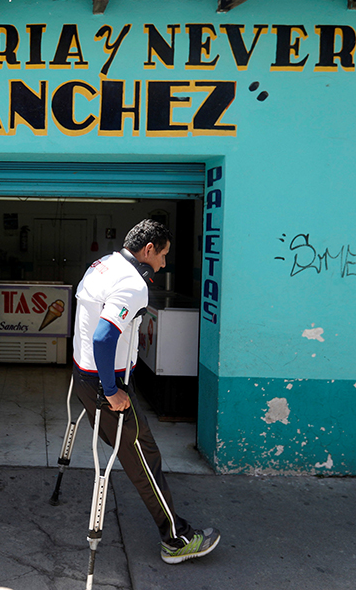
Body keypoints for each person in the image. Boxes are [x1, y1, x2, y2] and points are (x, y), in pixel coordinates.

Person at [72, 219, 220, 564]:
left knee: (138, 454)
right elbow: (103, 338)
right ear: (148, 249)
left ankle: (173, 530)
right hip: (104, 385)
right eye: (163, 256)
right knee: (144, 457)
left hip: (85, 377)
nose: (164, 264)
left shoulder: (102, 265)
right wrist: (111, 391)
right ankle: (176, 538)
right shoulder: (132, 283)